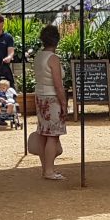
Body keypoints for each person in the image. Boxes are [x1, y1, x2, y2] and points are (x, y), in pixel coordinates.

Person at [34, 24, 68, 180]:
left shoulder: (38, 56)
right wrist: (64, 103)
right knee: (53, 135)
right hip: (52, 98)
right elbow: (58, 84)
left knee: (43, 133)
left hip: (40, 97)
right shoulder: (53, 58)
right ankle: (49, 170)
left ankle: (45, 168)